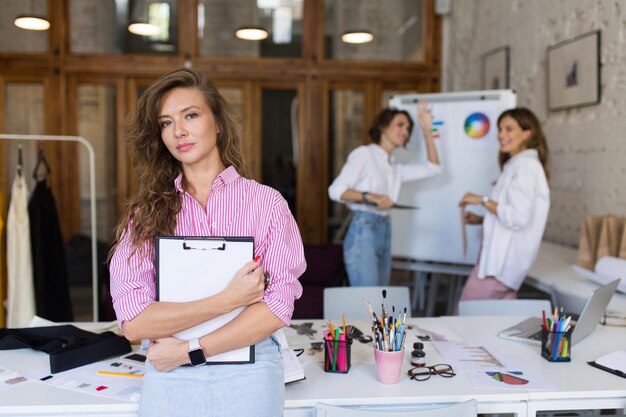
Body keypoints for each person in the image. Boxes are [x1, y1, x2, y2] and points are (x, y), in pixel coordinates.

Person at [109, 68, 306, 417]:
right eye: (166, 123)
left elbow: (276, 309)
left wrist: (191, 350)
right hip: (169, 369)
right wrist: (229, 300)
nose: (179, 131)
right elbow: (135, 322)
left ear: (218, 123)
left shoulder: (266, 204)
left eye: (190, 115)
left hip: (250, 364)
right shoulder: (145, 216)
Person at [328, 102, 442, 287]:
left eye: (408, 128)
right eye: (400, 125)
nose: (405, 131)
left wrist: (427, 130)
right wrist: (371, 196)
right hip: (364, 227)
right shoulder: (365, 154)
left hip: (385, 228)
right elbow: (336, 190)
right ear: (382, 126)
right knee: (368, 299)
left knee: (380, 298)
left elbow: (434, 169)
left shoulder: (394, 166)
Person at [458, 107, 550, 302]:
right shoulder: (519, 164)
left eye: (509, 129)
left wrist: (483, 200)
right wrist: (483, 219)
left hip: (498, 268)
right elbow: (514, 214)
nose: (501, 135)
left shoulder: (525, 166)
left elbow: (518, 218)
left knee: (462, 323)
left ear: (527, 133)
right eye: (500, 129)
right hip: (503, 269)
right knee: (496, 327)